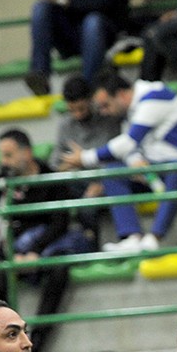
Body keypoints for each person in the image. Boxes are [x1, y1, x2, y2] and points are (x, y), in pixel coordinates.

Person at [59, 69, 177, 253]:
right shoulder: (129, 114)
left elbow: (128, 142)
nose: (104, 112)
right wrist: (136, 162)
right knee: (113, 171)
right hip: (163, 169)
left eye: (106, 105)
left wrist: (86, 157)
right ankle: (132, 237)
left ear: (122, 95)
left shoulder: (154, 96)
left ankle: (155, 238)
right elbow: (131, 151)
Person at [0, 128, 95, 352]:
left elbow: (60, 222)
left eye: (9, 155)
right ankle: (9, 342)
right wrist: (11, 255)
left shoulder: (51, 179)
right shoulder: (0, 184)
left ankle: (37, 344)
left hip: (46, 248)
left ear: (27, 153)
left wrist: (35, 251)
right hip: (15, 251)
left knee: (58, 269)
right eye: (2, 155)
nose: (4, 162)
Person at [25, 0, 131, 94]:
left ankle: (86, 89)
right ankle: (40, 74)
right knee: (40, 7)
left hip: (102, 32)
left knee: (92, 21)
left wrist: (63, 1)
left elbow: (105, 3)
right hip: (70, 34)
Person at [51, 73, 127, 240]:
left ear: (90, 100)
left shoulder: (109, 119)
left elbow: (118, 156)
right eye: (72, 110)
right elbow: (56, 165)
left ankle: (99, 241)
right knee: (60, 192)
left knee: (91, 201)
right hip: (79, 181)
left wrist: (83, 162)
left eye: (81, 109)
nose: (77, 114)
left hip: (109, 177)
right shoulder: (65, 125)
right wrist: (74, 163)